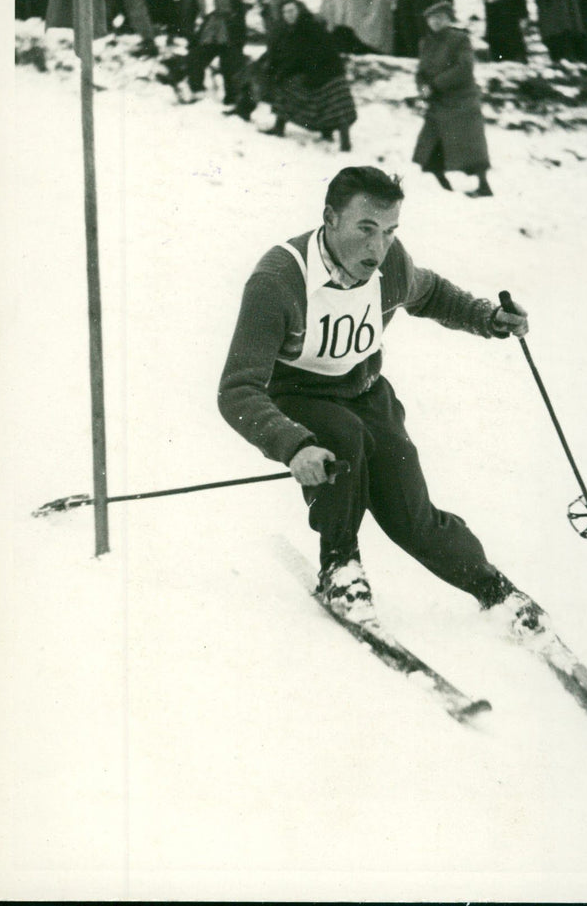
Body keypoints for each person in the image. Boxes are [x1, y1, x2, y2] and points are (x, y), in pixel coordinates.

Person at [218, 165, 548, 638]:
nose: (377, 249)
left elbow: (430, 293)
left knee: (412, 516)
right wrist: (293, 446)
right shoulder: (278, 280)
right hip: (299, 396)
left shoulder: (389, 266)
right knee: (342, 441)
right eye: (365, 230)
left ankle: (492, 588)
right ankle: (340, 567)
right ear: (330, 218)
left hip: (366, 391)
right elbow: (237, 390)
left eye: (390, 232)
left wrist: (488, 318)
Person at [411, 1, 493, 197]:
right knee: (430, 144)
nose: (435, 22)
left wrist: (435, 85)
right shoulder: (425, 43)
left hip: (461, 100)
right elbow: (421, 71)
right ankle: (443, 186)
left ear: (448, 19)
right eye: (432, 18)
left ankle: (484, 186)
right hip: (438, 102)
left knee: (470, 145)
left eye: (440, 18)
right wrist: (422, 86)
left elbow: (464, 68)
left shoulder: (460, 39)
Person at [263, 0, 357, 151]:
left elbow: (299, 57)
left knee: (285, 87)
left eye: (292, 11)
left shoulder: (306, 27)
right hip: (324, 70)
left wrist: (281, 74)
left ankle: (279, 127)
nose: (289, 15)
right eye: (285, 12)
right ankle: (329, 134)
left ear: (299, 10)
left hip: (323, 70)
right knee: (331, 105)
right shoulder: (297, 27)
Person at [182, 0, 246, 105]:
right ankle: (198, 92)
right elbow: (190, 12)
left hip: (228, 28)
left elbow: (239, 9)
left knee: (229, 62)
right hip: (208, 29)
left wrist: (240, 35)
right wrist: (189, 34)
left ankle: (232, 98)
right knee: (196, 57)